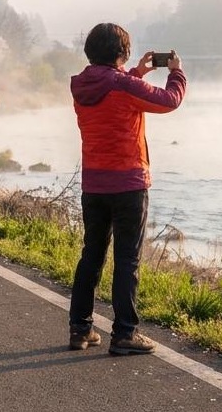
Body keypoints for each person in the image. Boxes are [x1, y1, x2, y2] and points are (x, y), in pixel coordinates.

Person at [68, 23, 186, 356]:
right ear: (123, 53)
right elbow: (168, 101)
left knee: (91, 255)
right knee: (127, 260)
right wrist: (176, 72)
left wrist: (136, 72)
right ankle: (124, 334)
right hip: (128, 184)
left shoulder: (82, 85)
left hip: (94, 183)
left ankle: (80, 329)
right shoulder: (123, 84)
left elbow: (114, 90)